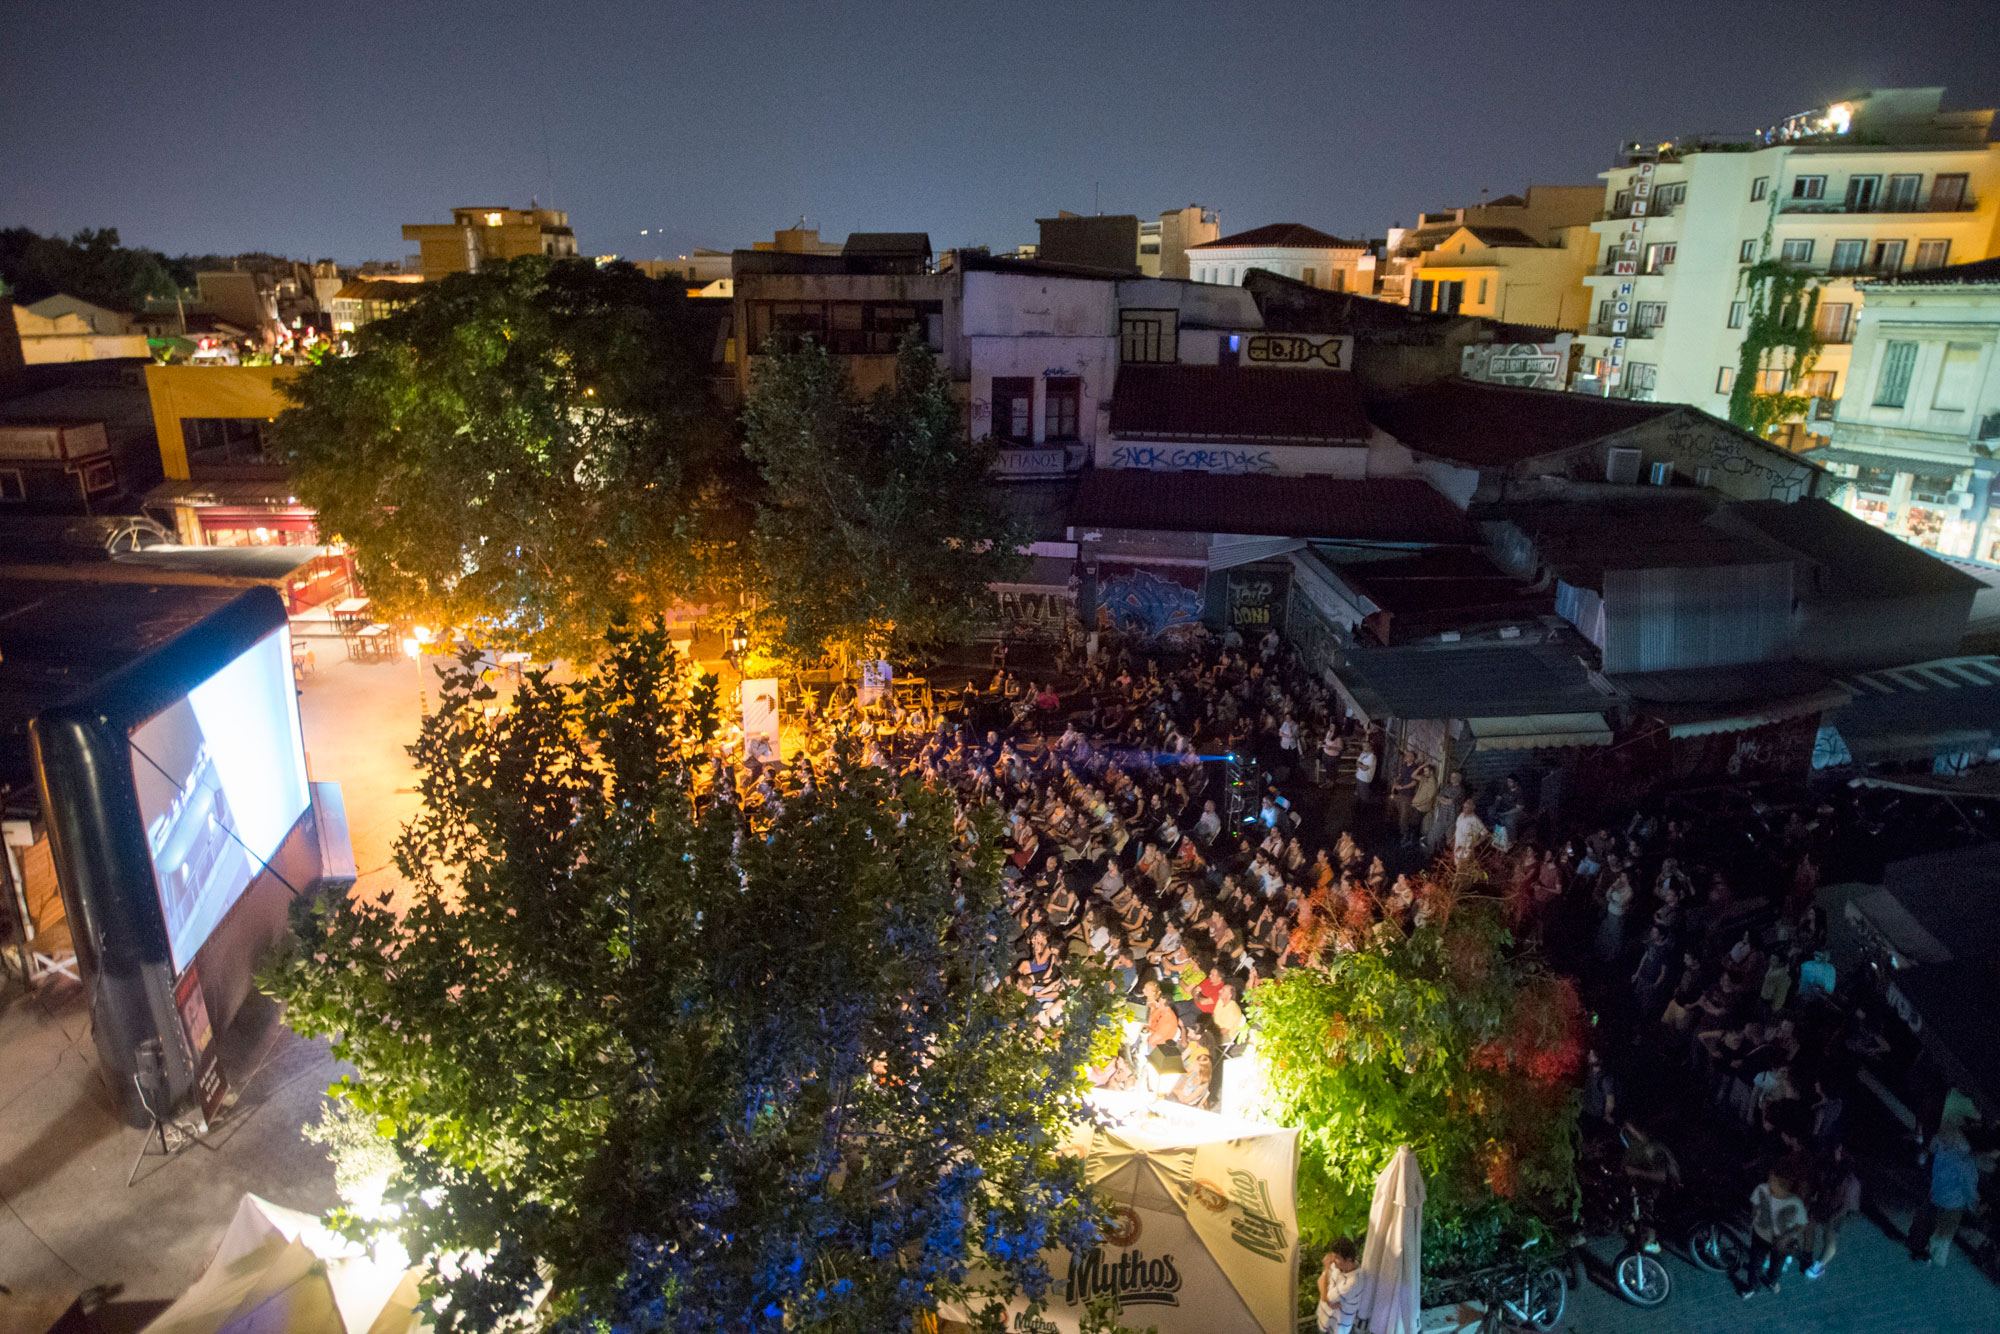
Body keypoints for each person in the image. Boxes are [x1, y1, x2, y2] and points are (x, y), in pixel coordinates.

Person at [1909, 1124, 1980, 1266]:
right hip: (1953, 1204)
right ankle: (1934, 1255)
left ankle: (1917, 1247)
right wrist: (1974, 1203)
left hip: (1935, 1195)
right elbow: (1969, 1187)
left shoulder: (1941, 1151)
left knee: (1925, 1223)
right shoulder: (1965, 1162)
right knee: (1945, 1231)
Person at [1740, 1162, 1809, 1297]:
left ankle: (1772, 1280)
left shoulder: (1795, 1202)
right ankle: (1753, 1286)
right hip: (1761, 1235)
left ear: (1785, 1184)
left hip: (1782, 1241)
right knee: (1755, 1262)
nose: (1769, 1183)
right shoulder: (1762, 1189)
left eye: (1773, 1180)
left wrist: (1788, 1236)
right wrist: (1753, 1222)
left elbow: (1802, 1224)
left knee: (1777, 1264)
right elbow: (1754, 1208)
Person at [1806, 1146, 1861, 1279]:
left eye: (1839, 1150)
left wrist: (1831, 1220)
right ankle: (1807, 1254)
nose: (1835, 1150)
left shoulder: (1850, 1182)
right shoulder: (1834, 1168)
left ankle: (1818, 1265)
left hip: (1835, 1213)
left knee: (1829, 1238)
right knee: (1809, 1226)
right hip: (1823, 1205)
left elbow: (1846, 1206)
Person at [1316, 1237, 1362, 1334]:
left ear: (1349, 1260)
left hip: (1337, 1327)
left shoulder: (1352, 1283)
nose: (1332, 1259)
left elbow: (1325, 1297)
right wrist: (1326, 1298)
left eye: (1336, 1257)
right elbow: (1320, 1280)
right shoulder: (1339, 1265)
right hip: (1324, 1318)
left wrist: (1326, 1267)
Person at [1452, 797, 1488, 865]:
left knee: (1464, 866)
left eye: (1468, 806)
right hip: (1457, 845)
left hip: (1466, 848)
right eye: (1464, 806)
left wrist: (1476, 843)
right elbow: (1458, 828)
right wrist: (1453, 838)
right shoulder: (1461, 815)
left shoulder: (1475, 820)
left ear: (1473, 807)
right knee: (1457, 864)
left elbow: (1485, 834)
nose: (1465, 808)